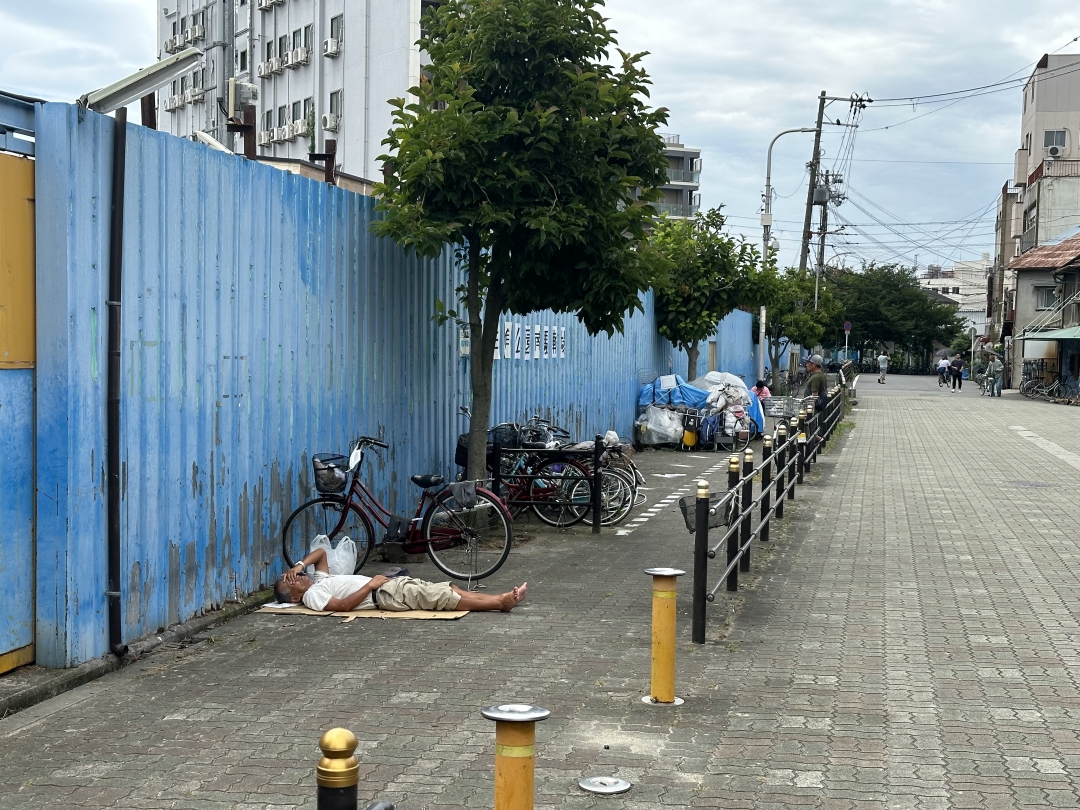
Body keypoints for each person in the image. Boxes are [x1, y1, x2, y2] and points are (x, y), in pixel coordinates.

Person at [274, 547, 527, 612]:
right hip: (383, 593)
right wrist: (370, 585)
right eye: (292, 581)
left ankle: (499, 598)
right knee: (445, 598)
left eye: (294, 576)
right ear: (294, 597)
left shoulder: (317, 582)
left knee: (450, 588)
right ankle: (500, 603)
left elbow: (320, 554)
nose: (297, 578)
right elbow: (342, 607)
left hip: (387, 586)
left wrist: (298, 565)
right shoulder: (311, 596)